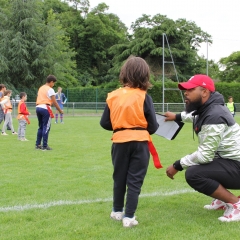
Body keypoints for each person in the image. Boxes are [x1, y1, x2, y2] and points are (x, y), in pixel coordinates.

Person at [165, 74, 240, 222]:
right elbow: (193, 117)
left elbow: (205, 155)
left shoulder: (214, 115)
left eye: (190, 89)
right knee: (206, 167)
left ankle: (236, 204)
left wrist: (177, 165)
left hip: (236, 165)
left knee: (194, 173)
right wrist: (177, 116)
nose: (185, 93)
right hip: (232, 162)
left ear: (204, 92)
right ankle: (222, 200)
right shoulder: (208, 109)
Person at [100, 57, 160, 228]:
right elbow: (154, 127)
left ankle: (117, 211)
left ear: (124, 74)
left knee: (119, 178)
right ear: (144, 75)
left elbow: (104, 123)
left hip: (119, 141)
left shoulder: (112, 96)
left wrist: (121, 124)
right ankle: (129, 217)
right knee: (134, 180)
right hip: (140, 142)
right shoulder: (144, 97)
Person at [35, 75, 63, 151]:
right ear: (51, 82)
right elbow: (54, 102)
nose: (53, 85)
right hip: (45, 108)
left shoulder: (41, 88)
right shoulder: (50, 89)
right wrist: (60, 111)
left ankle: (38, 145)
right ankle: (45, 146)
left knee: (40, 126)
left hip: (38, 107)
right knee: (46, 127)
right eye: (53, 83)